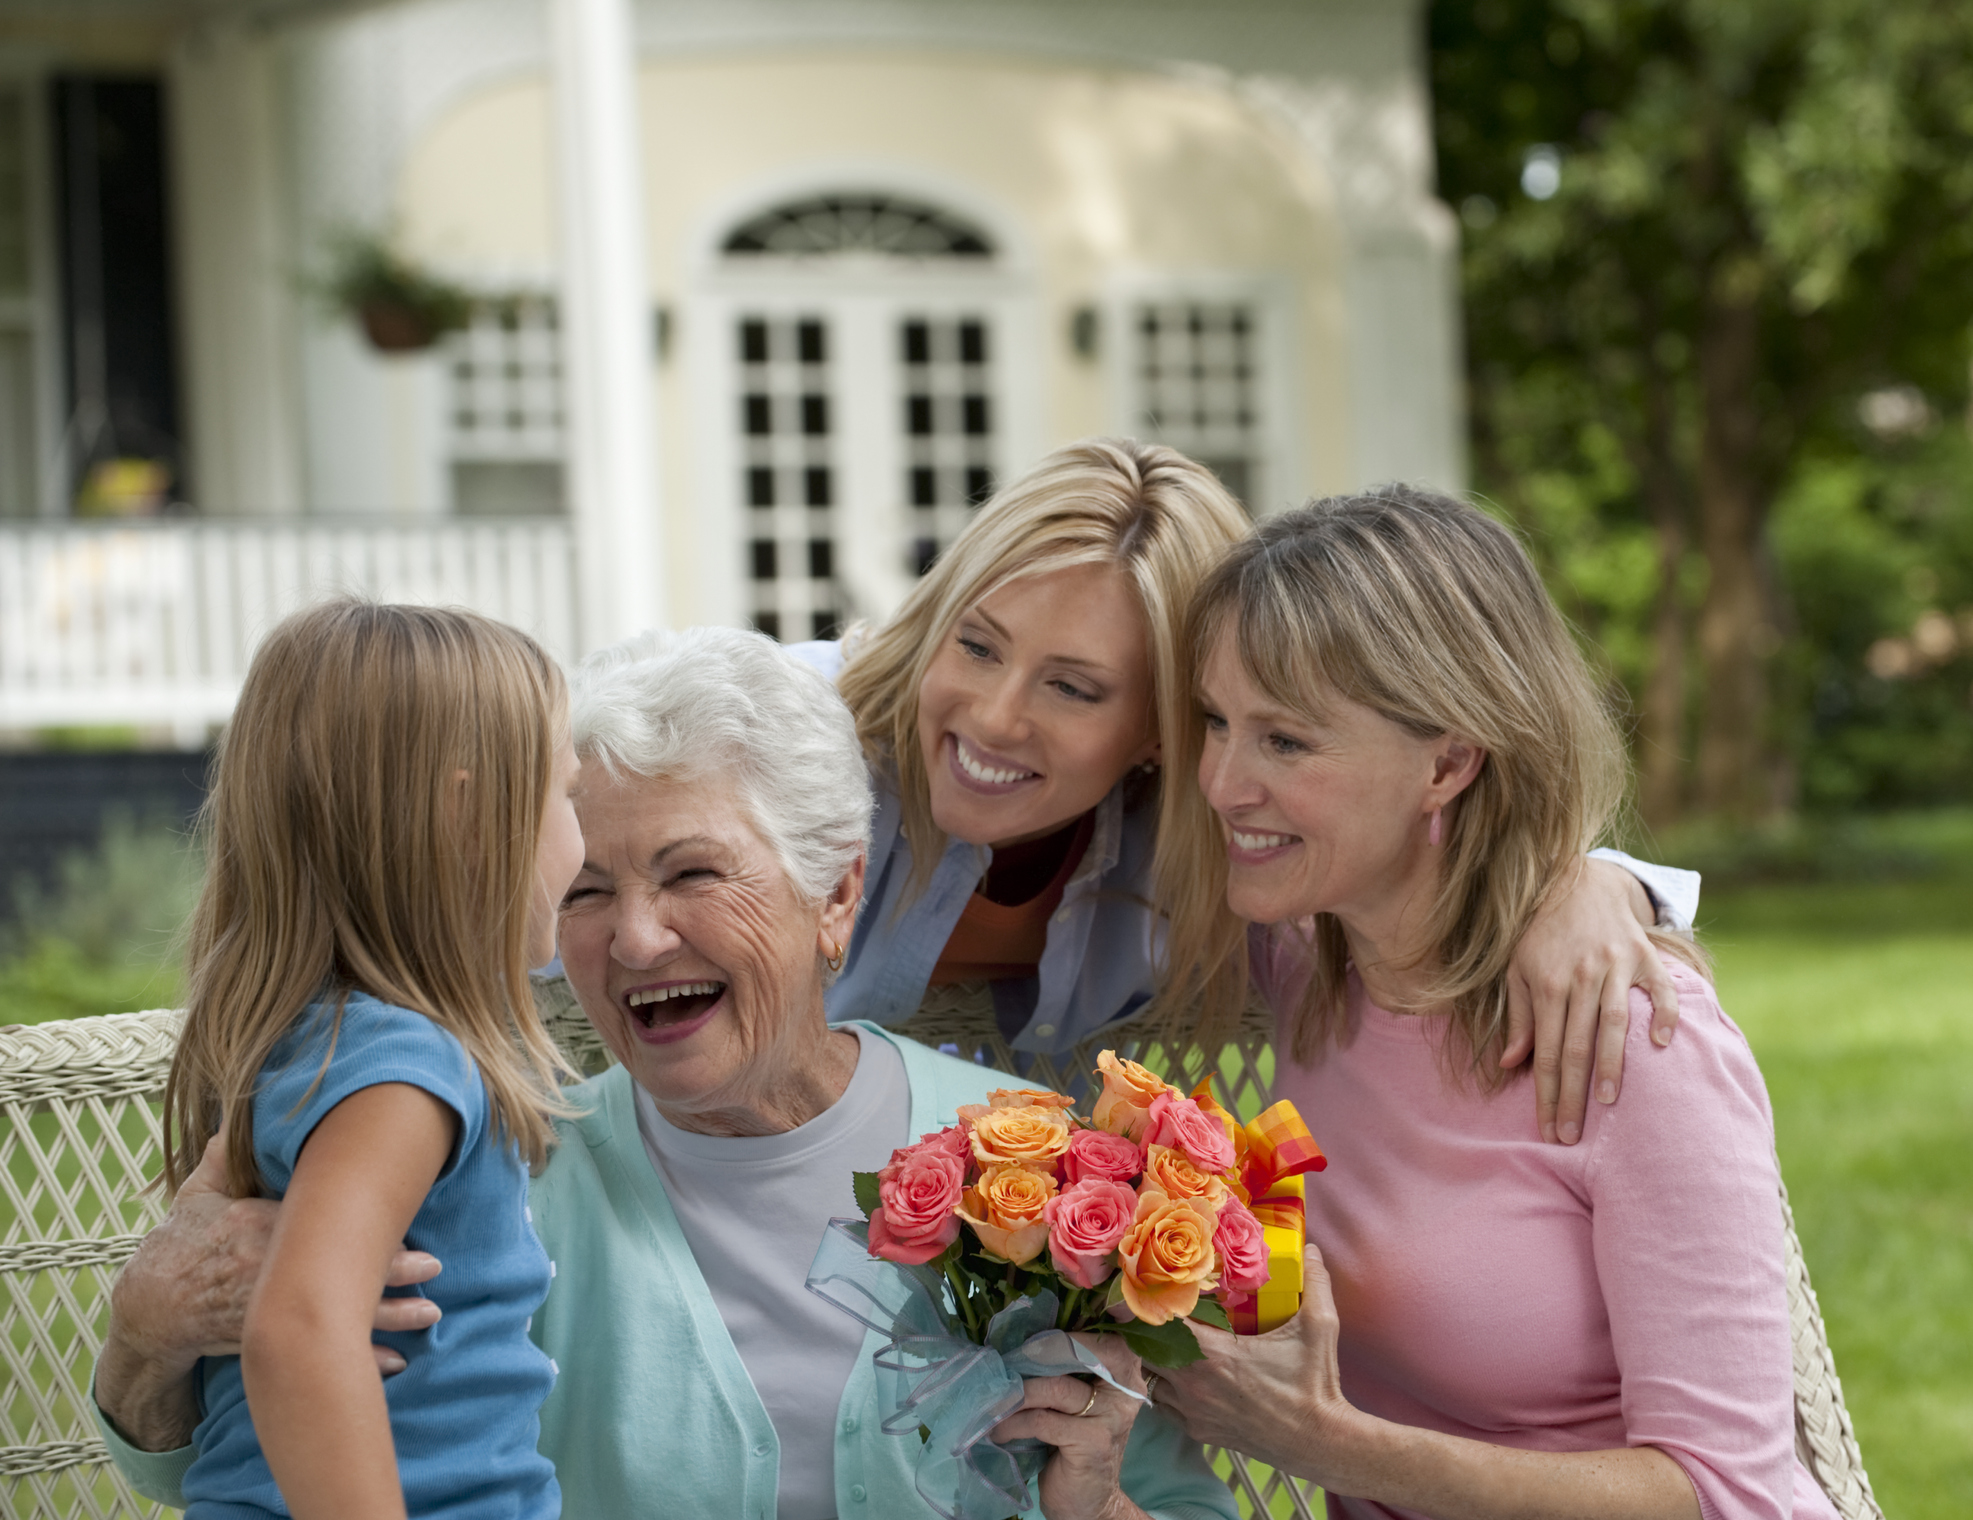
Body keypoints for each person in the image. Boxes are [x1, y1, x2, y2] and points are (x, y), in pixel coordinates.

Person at [96, 627, 1236, 1520]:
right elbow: (226, 1452)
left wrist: (1094, 1502)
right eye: (585, 887)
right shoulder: (489, 1161)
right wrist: (148, 1332)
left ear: (835, 894)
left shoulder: (1042, 1164)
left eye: (693, 871)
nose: (635, 939)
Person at [1145, 487, 1839, 1520]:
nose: (1222, 781)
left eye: (1284, 741)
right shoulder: (1306, 958)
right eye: (1215, 721)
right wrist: (1603, 873)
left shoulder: (1631, 1034)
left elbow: (1717, 1490)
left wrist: (1325, 1443)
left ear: (1449, 760)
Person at [800, 436, 1697, 1142]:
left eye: (1073, 688)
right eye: (978, 644)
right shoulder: (778, 742)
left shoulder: (1206, 833)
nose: (994, 719)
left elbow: (1399, 850)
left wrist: (1588, 881)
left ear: (1161, 724)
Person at [154, 601, 581, 1519]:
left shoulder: (322, 1042)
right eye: (566, 794)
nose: (579, 841)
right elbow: (299, 1331)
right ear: (470, 818)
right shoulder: (403, 1070)